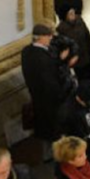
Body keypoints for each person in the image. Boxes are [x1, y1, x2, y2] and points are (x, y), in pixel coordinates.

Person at [21, 24, 73, 160]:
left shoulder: (26, 51)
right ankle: (55, 156)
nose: (51, 38)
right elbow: (51, 81)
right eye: (48, 36)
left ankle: (47, 155)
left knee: (44, 129)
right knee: (54, 131)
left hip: (37, 98)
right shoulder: (43, 58)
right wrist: (62, 94)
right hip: (50, 101)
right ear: (39, 38)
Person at [56, 6, 90, 82]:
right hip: (76, 60)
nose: (73, 15)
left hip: (86, 55)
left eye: (73, 12)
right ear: (65, 16)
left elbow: (87, 35)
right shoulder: (61, 28)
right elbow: (63, 47)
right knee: (81, 79)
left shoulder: (79, 20)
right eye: (70, 13)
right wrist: (69, 60)